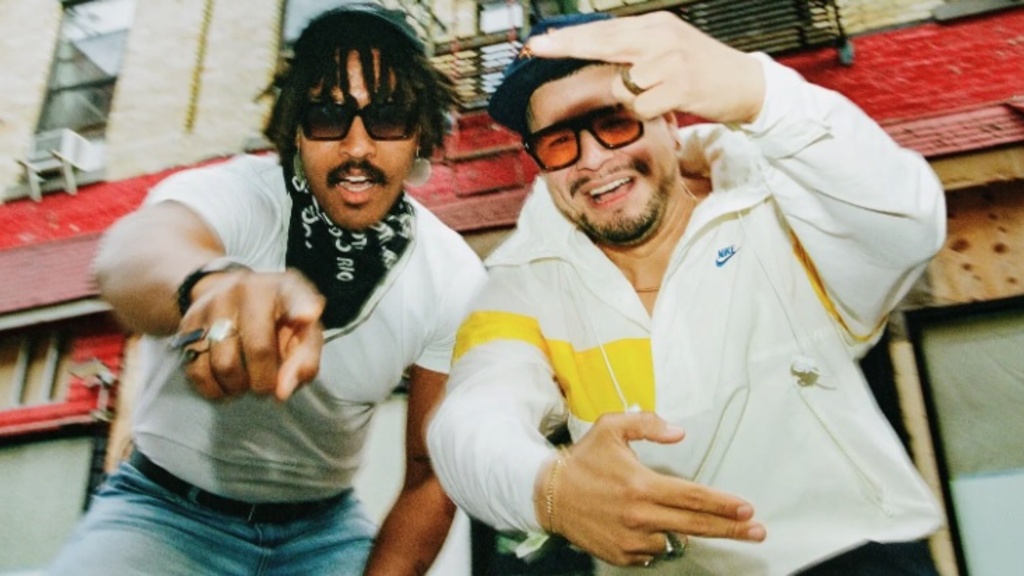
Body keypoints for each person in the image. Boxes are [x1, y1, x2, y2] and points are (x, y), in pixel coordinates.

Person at [427, 11, 946, 575]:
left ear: (668, 121)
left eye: (615, 122)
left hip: (848, 557)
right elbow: (469, 423)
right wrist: (551, 490)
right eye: (558, 143)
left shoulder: (779, 210)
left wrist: (759, 92)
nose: (595, 159)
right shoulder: (520, 281)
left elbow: (907, 225)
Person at [50, 4, 485, 575]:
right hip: (162, 513)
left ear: (421, 132)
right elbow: (130, 257)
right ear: (295, 131)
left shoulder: (451, 275)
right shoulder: (238, 193)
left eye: (387, 115)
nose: (357, 148)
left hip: (322, 531)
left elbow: (432, 474)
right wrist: (209, 286)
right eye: (329, 116)